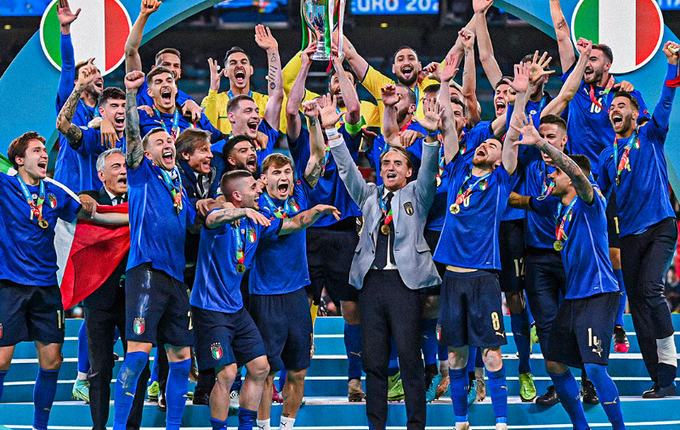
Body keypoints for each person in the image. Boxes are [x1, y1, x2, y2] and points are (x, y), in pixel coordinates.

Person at [321, 89, 446, 430]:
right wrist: (332, 131)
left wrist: (433, 135)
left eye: (397, 164)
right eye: (385, 163)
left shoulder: (418, 195)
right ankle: (376, 425)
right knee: (374, 361)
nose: (389, 167)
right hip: (371, 283)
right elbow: (347, 169)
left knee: (409, 358)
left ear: (408, 172)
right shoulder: (370, 195)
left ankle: (415, 425)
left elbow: (431, 166)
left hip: (405, 284)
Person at [191, 170, 339, 430]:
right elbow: (213, 217)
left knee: (260, 367)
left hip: (236, 308)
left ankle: (247, 427)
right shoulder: (222, 221)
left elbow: (292, 224)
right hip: (210, 309)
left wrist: (316, 211)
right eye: (253, 187)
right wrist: (241, 212)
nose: (259, 189)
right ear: (237, 195)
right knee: (226, 373)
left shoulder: (257, 221)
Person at [0, 131, 128, 430]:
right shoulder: (5, 186)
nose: (44, 154)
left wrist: (137, 216)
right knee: (2, 362)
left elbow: (95, 218)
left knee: (52, 362)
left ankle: (40, 427)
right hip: (10, 287)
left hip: (46, 288)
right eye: (36, 151)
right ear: (19, 160)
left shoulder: (55, 192)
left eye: (45, 150)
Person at [510, 113, 625, 430]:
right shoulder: (561, 207)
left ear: (572, 178)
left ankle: (619, 428)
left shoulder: (591, 201)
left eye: (557, 174)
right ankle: (580, 426)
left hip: (599, 293)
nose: (552, 177)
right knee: (553, 362)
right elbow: (528, 201)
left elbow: (574, 170)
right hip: (575, 297)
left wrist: (544, 143)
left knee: (596, 368)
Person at [434, 63, 530, 430]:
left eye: (490, 145)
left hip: (484, 279)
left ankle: (501, 421)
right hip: (452, 280)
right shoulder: (457, 169)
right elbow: (446, 126)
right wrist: (444, 83)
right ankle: (460, 422)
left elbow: (512, 136)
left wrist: (520, 95)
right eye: (483, 144)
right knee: (457, 357)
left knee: (490, 355)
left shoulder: (501, 180)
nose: (485, 147)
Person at [550, 0, 644, 355]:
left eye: (593, 59)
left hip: (609, 186)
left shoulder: (622, 97)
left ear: (608, 65)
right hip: (576, 186)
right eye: (584, 58)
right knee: (574, 254)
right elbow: (561, 35)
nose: (586, 62)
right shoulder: (573, 91)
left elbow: (643, 130)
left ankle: (617, 319)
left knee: (615, 256)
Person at [112, 70, 198, 430]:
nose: (167, 144)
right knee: (138, 355)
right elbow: (132, 139)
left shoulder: (180, 185)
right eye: (159, 141)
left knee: (181, 356)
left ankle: (173, 427)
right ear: (147, 154)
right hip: (145, 272)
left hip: (176, 280)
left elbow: (197, 221)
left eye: (170, 141)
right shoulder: (142, 175)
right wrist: (132, 97)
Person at [597, 41, 680, 398]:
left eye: (621, 106)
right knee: (639, 305)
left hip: (661, 226)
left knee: (650, 290)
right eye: (611, 107)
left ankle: (670, 362)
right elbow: (596, 196)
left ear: (635, 113)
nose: (614, 110)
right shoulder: (605, 154)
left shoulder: (651, 133)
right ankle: (659, 380)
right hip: (628, 234)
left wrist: (673, 66)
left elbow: (664, 101)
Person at [285, 51, 365, 402]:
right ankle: (294, 381)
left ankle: (354, 379)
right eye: (313, 102)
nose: (318, 105)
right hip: (306, 233)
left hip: (344, 231)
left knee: (352, 308)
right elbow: (290, 109)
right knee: (302, 308)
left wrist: (340, 66)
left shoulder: (344, 139)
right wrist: (305, 65)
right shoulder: (301, 138)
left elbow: (354, 111)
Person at [251, 100, 328, 430]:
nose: (284, 177)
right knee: (265, 370)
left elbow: (318, 158)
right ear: (263, 179)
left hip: (298, 294)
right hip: (265, 296)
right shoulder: (256, 207)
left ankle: (287, 426)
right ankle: (264, 426)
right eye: (276, 173)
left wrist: (313, 123)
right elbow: (291, 225)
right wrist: (318, 212)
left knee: (297, 370)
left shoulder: (299, 193)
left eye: (287, 172)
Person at [78, 148, 149, 430]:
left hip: (136, 301)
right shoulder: (90, 201)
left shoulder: (142, 199)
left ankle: (132, 427)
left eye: (125, 166)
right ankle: (99, 427)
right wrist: (82, 199)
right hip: (99, 301)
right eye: (116, 166)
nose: (123, 171)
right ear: (101, 175)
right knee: (100, 371)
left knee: (138, 369)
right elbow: (77, 205)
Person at [54, 0, 110, 194]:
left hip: (98, 184)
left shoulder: (106, 112)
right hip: (68, 181)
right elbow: (68, 65)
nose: (99, 76)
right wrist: (65, 28)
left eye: (100, 74)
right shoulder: (70, 101)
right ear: (79, 80)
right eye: (92, 73)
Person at [202, 25, 287, 135]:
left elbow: (283, 124)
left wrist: (272, 50)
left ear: (251, 70)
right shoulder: (213, 100)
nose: (239, 65)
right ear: (226, 72)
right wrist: (213, 90)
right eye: (233, 63)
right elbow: (206, 133)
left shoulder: (265, 102)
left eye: (243, 62)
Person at [125, 0, 202, 119]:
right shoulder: (142, 85)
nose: (171, 69)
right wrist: (144, 15)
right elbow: (131, 51)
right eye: (166, 64)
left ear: (180, 73)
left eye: (176, 66)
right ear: (154, 69)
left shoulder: (187, 100)